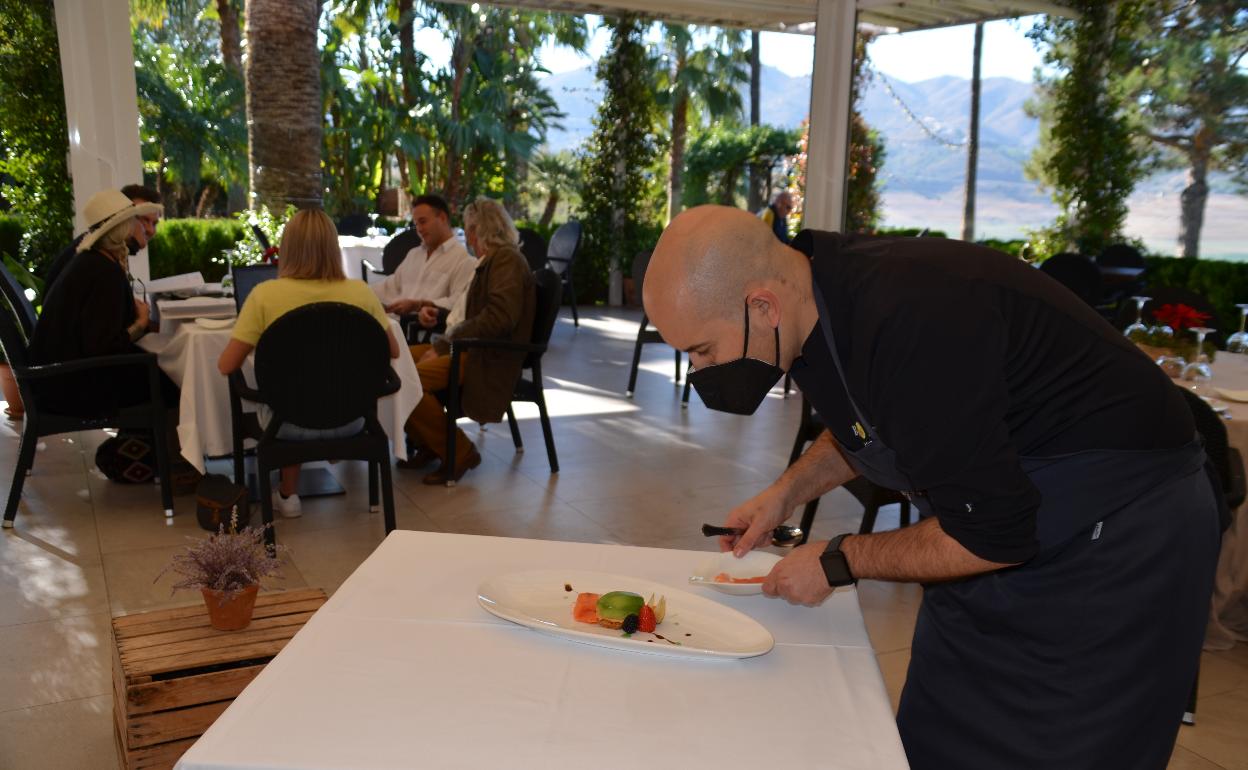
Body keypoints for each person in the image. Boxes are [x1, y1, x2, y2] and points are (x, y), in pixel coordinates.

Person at [643, 205, 1221, 770]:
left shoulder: (913, 323)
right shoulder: (815, 296)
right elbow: (870, 425)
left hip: (1119, 541)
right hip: (1000, 517)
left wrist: (840, 559)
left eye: (702, 351)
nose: (699, 373)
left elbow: (993, 537)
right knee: (938, 737)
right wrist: (788, 492)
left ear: (761, 305)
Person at [218, 208, 401, 517]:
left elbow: (226, 366)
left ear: (287, 248)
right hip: (352, 418)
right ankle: (292, 492)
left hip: (286, 424)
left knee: (291, 392)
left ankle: (288, 497)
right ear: (333, 247)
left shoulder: (265, 295)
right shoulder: (360, 292)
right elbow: (392, 350)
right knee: (309, 389)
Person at [401, 197, 535, 485]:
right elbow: (475, 314)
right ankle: (431, 444)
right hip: (467, 346)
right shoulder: (494, 261)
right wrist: (441, 314)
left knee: (405, 381)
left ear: (478, 230)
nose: (468, 238)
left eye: (468, 230)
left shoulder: (507, 260)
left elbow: (499, 319)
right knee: (393, 363)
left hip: (484, 356)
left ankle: (459, 451)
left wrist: (444, 343)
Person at [28, 189, 176, 416]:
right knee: (174, 379)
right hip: (70, 388)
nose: (144, 228)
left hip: (55, 380)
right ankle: (152, 449)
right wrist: (141, 322)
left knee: (161, 369)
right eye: (136, 220)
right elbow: (104, 348)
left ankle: (139, 447)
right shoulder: (104, 271)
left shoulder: (92, 261)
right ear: (123, 227)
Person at [370, 194, 476, 319]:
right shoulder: (414, 254)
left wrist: (418, 305)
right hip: (395, 325)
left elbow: (458, 302)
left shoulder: (462, 259)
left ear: (442, 218)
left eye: (423, 222)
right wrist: (358, 291)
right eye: (416, 224)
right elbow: (389, 286)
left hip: (424, 331)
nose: (419, 229)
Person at [43, 184, 161, 293]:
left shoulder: (98, 252)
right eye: (142, 219)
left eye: (154, 223)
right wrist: (142, 316)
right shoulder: (101, 263)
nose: (150, 230)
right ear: (121, 219)